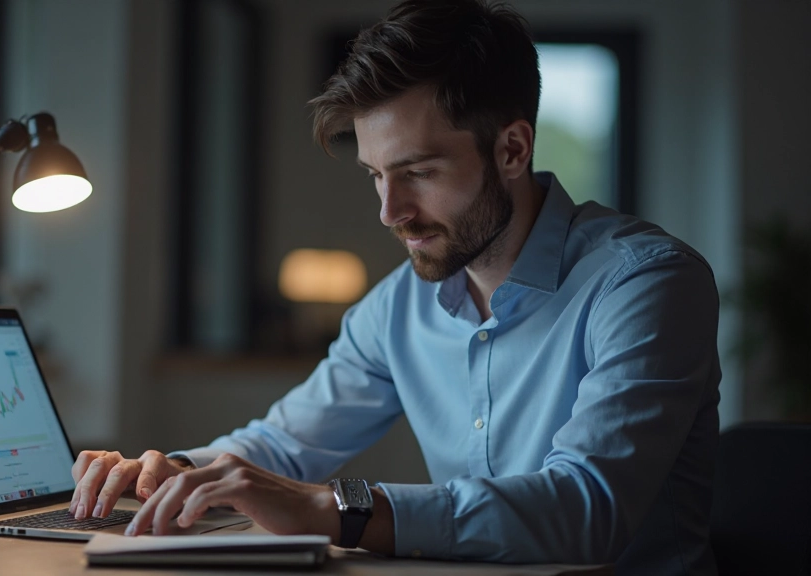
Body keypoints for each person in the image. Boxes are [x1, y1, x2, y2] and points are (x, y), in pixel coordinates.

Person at [69, 1, 721, 574]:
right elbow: (282, 445)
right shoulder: (397, 306)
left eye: (418, 172)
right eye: (376, 175)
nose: (390, 211)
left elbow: (587, 511)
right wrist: (175, 474)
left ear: (513, 149)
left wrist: (341, 509)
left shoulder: (646, 283)